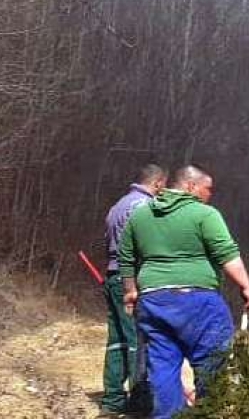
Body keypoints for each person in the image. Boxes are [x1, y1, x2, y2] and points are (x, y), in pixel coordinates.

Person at [120, 165, 249, 419]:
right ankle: (208, 412)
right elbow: (227, 253)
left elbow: (125, 257)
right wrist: (246, 287)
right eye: (208, 188)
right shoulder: (204, 214)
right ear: (190, 186)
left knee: (162, 367)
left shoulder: (139, 216)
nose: (210, 194)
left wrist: (130, 291)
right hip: (198, 301)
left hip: (152, 301)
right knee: (211, 361)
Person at [100, 163, 167, 416]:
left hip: (112, 276)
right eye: (164, 185)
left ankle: (112, 400)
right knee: (136, 341)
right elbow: (145, 246)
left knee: (116, 340)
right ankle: (139, 403)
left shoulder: (117, 206)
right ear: (158, 183)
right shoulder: (144, 207)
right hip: (132, 280)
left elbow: (110, 243)